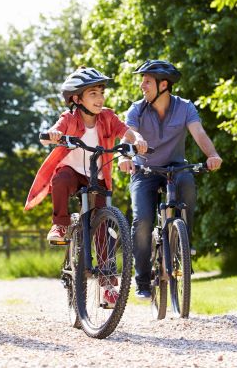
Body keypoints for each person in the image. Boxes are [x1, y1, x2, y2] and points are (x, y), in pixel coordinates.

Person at [119, 60, 222, 299]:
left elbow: (199, 133)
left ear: (163, 85)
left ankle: (183, 249)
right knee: (143, 220)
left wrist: (212, 155)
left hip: (175, 168)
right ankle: (142, 278)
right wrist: (124, 157)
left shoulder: (185, 107)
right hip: (144, 170)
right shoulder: (136, 109)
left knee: (187, 186)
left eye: (147, 81)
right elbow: (127, 136)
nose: (142, 85)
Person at [25, 66, 148, 241]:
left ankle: (107, 267)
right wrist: (53, 135)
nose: (100, 98)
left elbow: (127, 132)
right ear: (77, 98)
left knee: (103, 225)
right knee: (61, 178)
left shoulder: (108, 117)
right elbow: (46, 137)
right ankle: (60, 224)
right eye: (93, 94)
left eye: (101, 93)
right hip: (73, 174)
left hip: (97, 178)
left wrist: (138, 139)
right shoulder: (69, 118)